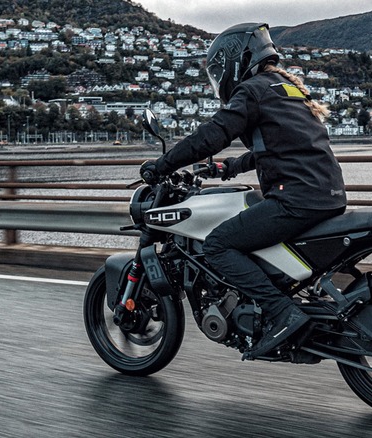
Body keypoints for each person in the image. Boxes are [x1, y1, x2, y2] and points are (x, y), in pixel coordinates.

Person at [140, 23, 347, 359]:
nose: (219, 79)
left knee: (218, 244)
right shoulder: (287, 89)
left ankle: (284, 313)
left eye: (218, 71)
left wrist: (163, 164)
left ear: (235, 60)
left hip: (295, 199)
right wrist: (229, 168)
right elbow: (281, 146)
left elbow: (213, 135)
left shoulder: (252, 90)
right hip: (328, 195)